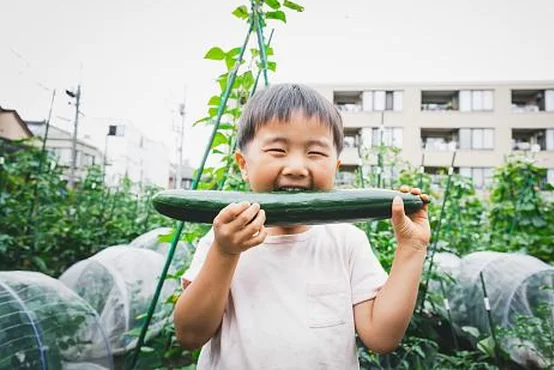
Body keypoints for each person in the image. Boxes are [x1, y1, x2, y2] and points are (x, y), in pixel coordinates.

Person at [175, 83, 431, 369]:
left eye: (315, 153)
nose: (296, 167)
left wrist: (412, 248)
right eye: (277, 150)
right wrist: (224, 253)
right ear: (243, 164)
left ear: (335, 167)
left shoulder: (347, 241)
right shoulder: (221, 239)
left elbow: (381, 338)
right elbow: (190, 335)